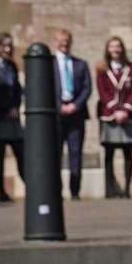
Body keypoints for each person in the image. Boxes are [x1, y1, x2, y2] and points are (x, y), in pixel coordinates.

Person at [95, 36, 132, 199]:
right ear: (107, 49)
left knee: (128, 153)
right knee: (109, 153)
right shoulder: (102, 69)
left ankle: (127, 189)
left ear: (122, 49)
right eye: (112, 46)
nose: (115, 49)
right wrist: (115, 109)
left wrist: (125, 109)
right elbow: (103, 92)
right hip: (109, 115)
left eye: (118, 46)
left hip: (127, 115)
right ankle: (110, 189)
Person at [52, 28, 91, 200]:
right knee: (56, 154)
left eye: (67, 40)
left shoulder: (80, 64)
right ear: (56, 42)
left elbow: (87, 87)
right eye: (61, 40)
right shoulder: (49, 64)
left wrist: (75, 105)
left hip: (76, 115)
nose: (65, 44)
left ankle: (75, 192)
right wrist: (58, 105)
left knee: (75, 154)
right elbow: (44, 88)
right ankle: (57, 192)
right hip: (56, 116)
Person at [0, 34, 25, 200]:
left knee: (21, 152)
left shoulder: (12, 66)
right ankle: (1, 191)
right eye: (4, 46)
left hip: (12, 116)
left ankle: (31, 186)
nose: (8, 49)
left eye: (10, 46)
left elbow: (17, 89)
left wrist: (15, 106)